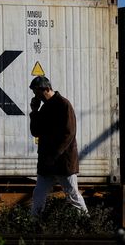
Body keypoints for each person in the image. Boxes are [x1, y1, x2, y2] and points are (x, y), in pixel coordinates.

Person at [28, 76, 87, 215]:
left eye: (38, 92)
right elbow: (35, 131)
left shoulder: (63, 104)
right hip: (48, 162)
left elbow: (69, 133)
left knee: (72, 195)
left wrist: (55, 155)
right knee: (39, 194)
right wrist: (34, 111)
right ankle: (34, 223)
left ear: (47, 89)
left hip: (62, 162)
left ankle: (87, 221)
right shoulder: (44, 108)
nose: (36, 96)